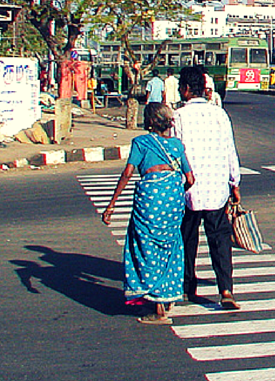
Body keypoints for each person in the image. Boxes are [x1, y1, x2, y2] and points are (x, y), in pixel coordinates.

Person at [101, 103, 195, 325]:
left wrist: (111, 204)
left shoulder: (141, 142)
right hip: (173, 199)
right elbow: (190, 179)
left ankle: (159, 308)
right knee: (170, 247)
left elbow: (127, 173)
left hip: (150, 199)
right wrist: (173, 194)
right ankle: (168, 295)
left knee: (145, 248)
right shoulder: (176, 145)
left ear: (150, 122)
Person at [174, 65, 242, 309]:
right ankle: (225, 289)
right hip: (217, 188)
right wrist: (235, 183)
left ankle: (186, 286)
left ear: (186, 89)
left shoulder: (179, 116)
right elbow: (230, 151)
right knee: (220, 240)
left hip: (188, 189)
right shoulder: (220, 115)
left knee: (186, 239)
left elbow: (176, 153)